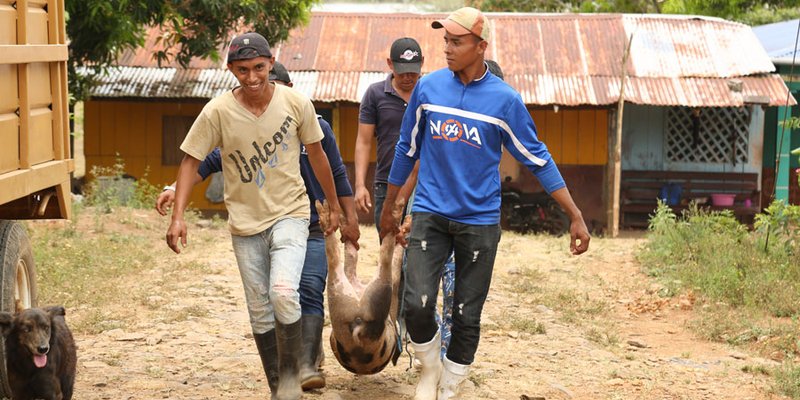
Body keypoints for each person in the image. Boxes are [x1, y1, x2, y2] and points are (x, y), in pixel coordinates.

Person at [378, 8, 591, 400]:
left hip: (479, 222)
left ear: (481, 47)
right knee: (417, 304)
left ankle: (451, 386)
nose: (447, 49)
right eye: (445, 40)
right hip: (430, 213)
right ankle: (429, 369)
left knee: (466, 315)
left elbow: (536, 158)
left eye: (456, 42)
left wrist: (574, 214)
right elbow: (407, 149)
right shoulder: (428, 89)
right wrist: (392, 205)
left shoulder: (505, 101)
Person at [157, 62, 356, 393]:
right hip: (257, 223)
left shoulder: (313, 124)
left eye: (270, 85)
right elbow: (204, 163)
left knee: (303, 289)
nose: (260, 94)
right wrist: (177, 191)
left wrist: (345, 216)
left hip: (311, 222)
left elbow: (336, 172)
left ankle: (306, 363)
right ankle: (286, 376)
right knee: (272, 300)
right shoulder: (240, 126)